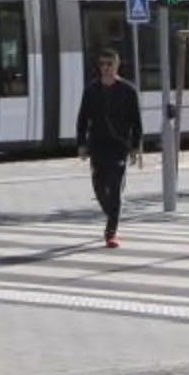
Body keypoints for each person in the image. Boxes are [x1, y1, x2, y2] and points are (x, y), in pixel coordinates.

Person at [75, 47, 144, 248]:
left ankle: (110, 232)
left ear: (117, 65)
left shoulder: (128, 91)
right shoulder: (91, 90)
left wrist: (135, 147)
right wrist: (81, 144)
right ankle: (112, 212)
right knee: (98, 187)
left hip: (119, 146)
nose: (105, 68)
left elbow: (136, 122)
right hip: (97, 145)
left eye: (109, 64)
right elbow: (82, 119)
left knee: (114, 189)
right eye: (102, 64)